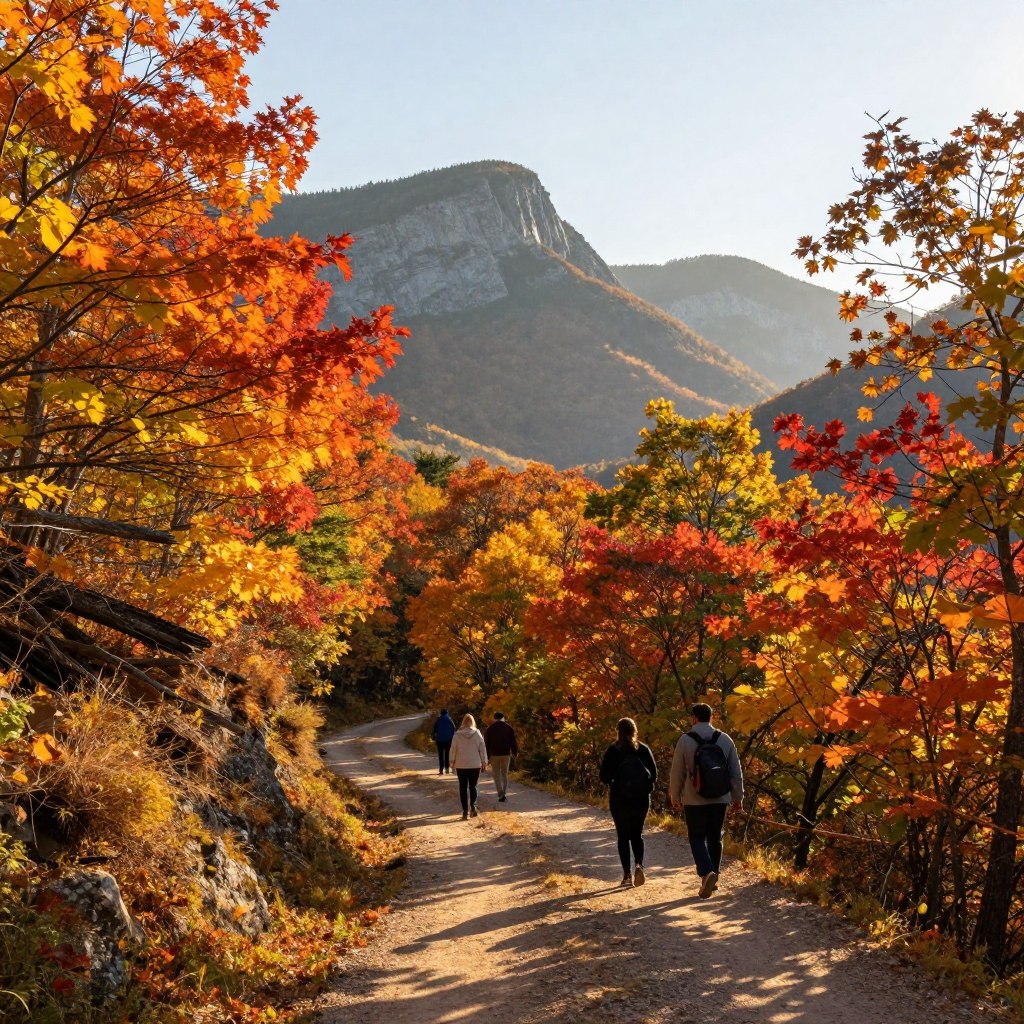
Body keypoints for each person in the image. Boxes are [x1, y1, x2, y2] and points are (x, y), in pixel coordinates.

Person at [669, 702, 744, 900]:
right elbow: (735, 772)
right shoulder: (725, 739)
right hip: (720, 798)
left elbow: (678, 772)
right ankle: (715, 876)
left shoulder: (685, 740)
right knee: (715, 837)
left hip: (694, 799)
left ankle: (706, 872)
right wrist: (738, 797)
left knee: (696, 837)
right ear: (711, 717)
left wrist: (675, 796)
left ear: (694, 718)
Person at [599, 717, 657, 888]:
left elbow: (603, 776)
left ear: (618, 731)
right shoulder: (643, 749)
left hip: (619, 798)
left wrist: (615, 781)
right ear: (634, 731)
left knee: (623, 837)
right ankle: (639, 864)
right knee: (637, 834)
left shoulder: (613, 750)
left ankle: (626, 875)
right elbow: (654, 775)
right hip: (641, 799)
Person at [450, 713, 488, 820]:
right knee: (473, 786)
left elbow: (453, 749)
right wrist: (484, 762)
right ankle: (473, 807)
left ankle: (465, 811)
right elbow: (482, 749)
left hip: (461, 765)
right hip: (475, 764)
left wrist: (452, 762)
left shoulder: (457, 734)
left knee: (463, 787)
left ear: (463, 722)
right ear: (472, 722)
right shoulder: (477, 734)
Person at [483, 711, 519, 802]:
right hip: (506, 754)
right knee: (504, 773)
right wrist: (515, 752)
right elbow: (513, 742)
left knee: (496, 775)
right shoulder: (509, 728)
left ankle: (500, 793)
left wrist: (486, 757)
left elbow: (486, 744)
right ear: (503, 718)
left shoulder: (489, 729)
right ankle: (504, 792)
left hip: (494, 754)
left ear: (494, 718)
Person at [432, 709, 457, 775]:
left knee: (441, 755)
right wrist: (452, 738)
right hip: (448, 740)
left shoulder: (438, 719)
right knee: (447, 755)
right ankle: (447, 770)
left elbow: (435, 729)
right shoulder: (449, 720)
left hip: (439, 740)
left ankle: (441, 770)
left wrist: (434, 738)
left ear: (441, 713)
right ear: (447, 713)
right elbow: (453, 728)